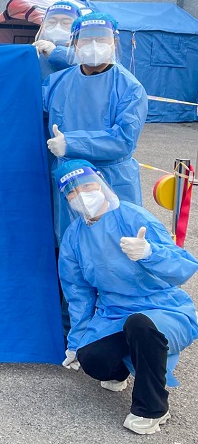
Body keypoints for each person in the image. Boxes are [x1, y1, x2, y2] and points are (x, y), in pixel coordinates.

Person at [54, 159, 198, 435]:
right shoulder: (74, 237)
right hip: (114, 313)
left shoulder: (134, 217)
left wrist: (150, 253)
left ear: (101, 184)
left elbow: (182, 266)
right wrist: (76, 341)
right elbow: (78, 294)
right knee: (92, 358)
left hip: (161, 307)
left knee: (140, 325)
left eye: (87, 186)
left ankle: (152, 408)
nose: (82, 195)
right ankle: (121, 370)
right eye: (72, 191)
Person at [42, 12, 148, 243]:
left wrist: (70, 143)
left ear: (114, 43)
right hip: (69, 180)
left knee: (116, 244)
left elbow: (124, 139)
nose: (93, 46)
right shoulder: (56, 82)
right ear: (74, 44)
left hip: (113, 179)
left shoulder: (129, 87)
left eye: (101, 39)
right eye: (87, 39)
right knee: (72, 243)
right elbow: (25, 115)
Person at [32, 0, 86, 80]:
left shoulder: (86, 51)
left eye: (66, 22)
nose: (57, 27)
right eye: (51, 22)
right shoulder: (38, 53)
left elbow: (84, 66)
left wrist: (55, 52)